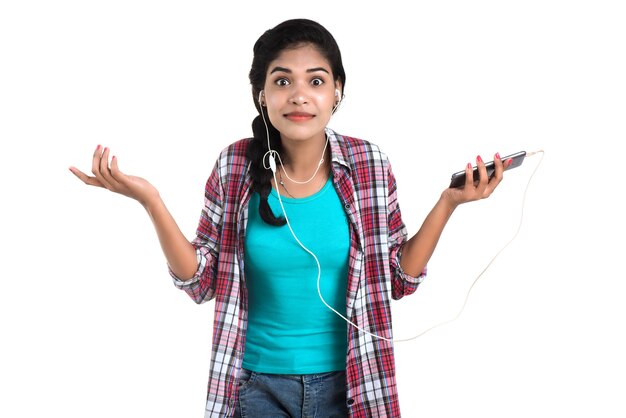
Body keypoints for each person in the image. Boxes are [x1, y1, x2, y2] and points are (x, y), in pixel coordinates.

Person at [70, 18, 511, 418]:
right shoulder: (234, 166)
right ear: (262, 95)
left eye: (315, 81)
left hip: (354, 386)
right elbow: (201, 282)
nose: (299, 94)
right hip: (258, 390)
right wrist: (151, 201)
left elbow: (398, 278)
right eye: (282, 81)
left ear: (337, 90)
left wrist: (448, 203)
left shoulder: (368, 164)